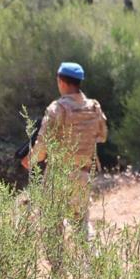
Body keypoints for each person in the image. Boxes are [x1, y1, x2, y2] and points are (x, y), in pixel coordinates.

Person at [23, 62, 108, 234]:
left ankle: (59, 261)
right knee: (82, 222)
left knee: (52, 224)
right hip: (83, 173)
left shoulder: (57, 108)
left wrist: (29, 160)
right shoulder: (94, 107)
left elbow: (43, 144)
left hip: (59, 175)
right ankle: (93, 260)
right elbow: (102, 136)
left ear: (61, 81)